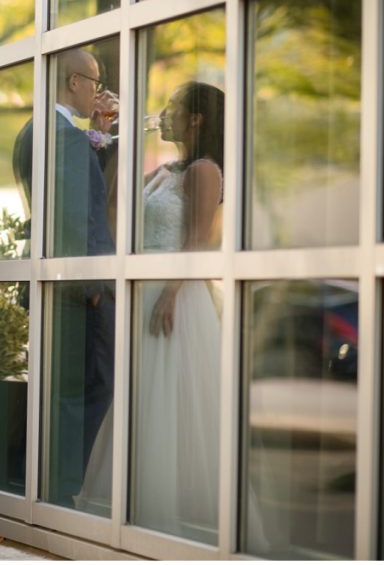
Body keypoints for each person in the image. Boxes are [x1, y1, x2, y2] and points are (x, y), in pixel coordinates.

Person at [12, 48, 116, 513]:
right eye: (94, 81)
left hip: (52, 285)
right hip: (79, 290)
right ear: (73, 82)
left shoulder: (35, 131)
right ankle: (63, 490)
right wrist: (92, 284)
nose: (97, 89)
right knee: (87, 387)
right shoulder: (64, 138)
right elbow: (78, 217)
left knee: (58, 387)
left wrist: (103, 136)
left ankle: (45, 484)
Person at [135, 81, 224, 541]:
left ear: (197, 119)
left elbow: (198, 240)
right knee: (144, 396)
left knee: (172, 395)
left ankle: (173, 514)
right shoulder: (165, 169)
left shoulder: (206, 171)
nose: (163, 113)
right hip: (145, 288)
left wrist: (170, 293)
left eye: (173, 107)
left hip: (176, 295)